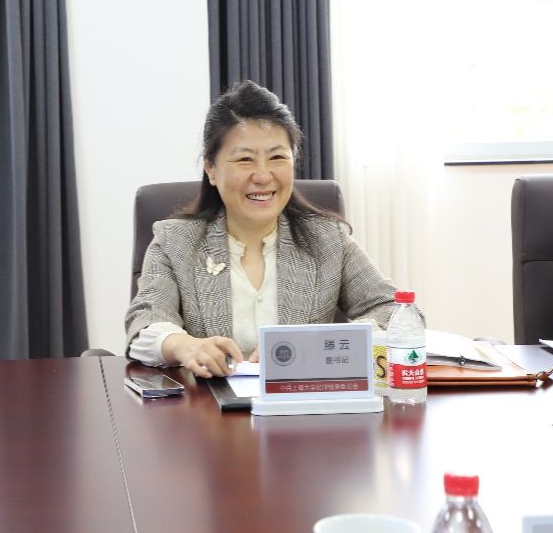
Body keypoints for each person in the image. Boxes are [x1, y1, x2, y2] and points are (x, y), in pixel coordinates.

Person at [124, 80, 396, 378]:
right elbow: (144, 323)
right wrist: (186, 346)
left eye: (277, 157)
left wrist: (316, 345)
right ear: (211, 169)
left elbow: (396, 312)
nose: (263, 176)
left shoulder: (327, 239)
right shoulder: (175, 241)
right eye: (245, 159)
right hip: (207, 403)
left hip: (302, 402)